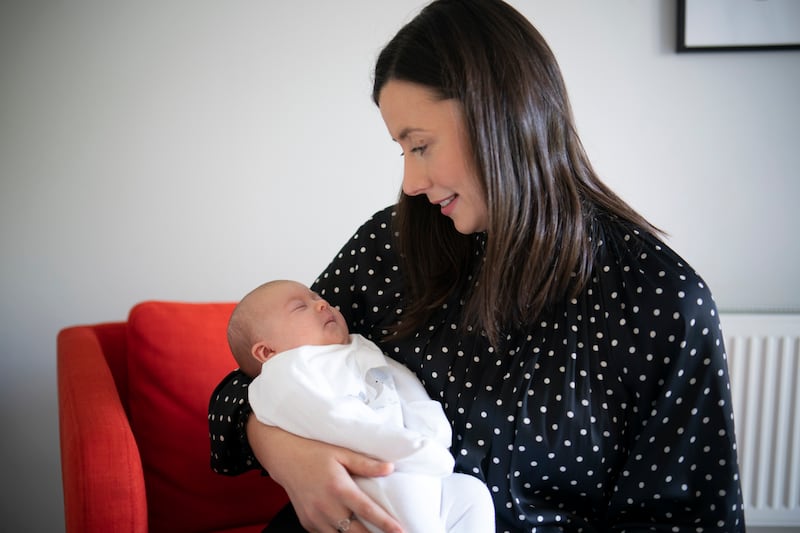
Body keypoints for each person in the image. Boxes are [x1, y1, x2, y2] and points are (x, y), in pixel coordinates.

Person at [209, 1, 746, 531]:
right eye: (402, 151)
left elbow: (688, 519)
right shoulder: (387, 247)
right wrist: (282, 451)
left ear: (500, 119)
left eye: (419, 145)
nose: (411, 183)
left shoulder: (660, 302)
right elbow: (243, 387)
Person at [226, 280, 495, 533]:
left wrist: (432, 434)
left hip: (418, 462)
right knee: (415, 518)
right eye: (300, 307)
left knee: (472, 494)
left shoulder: (359, 348)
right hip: (368, 475)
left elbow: (406, 388)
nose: (322, 304)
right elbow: (335, 420)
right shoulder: (284, 373)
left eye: (318, 297)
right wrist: (408, 448)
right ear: (266, 352)